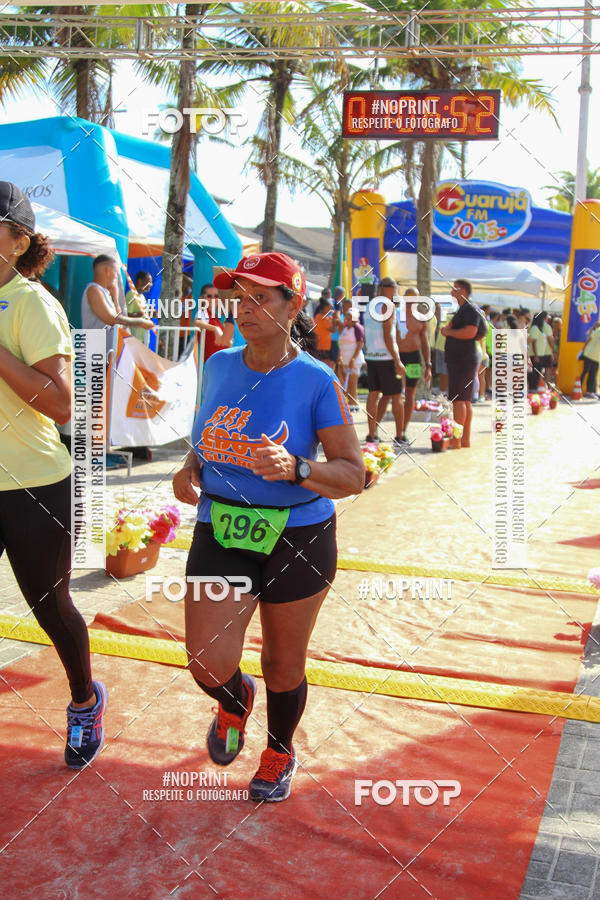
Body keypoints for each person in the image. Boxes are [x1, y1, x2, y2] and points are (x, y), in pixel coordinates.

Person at [172, 251, 364, 803]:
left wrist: (299, 469)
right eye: (239, 298)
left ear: (294, 304)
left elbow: (353, 473)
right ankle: (233, 700)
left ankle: (279, 749)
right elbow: (203, 437)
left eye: (261, 298)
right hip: (222, 527)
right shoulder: (219, 365)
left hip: (298, 537)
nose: (245, 310)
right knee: (207, 658)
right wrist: (189, 468)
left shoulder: (316, 380)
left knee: (282, 663)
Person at [0, 182, 107, 768]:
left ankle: (84, 701)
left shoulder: (31, 302)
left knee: (49, 606)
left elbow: (64, 404)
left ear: (18, 242)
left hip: (32, 484)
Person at [376, 288, 432, 440]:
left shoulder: (421, 318)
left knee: (410, 394)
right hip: (396, 357)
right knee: (389, 394)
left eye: (415, 298)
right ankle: (374, 429)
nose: (412, 301)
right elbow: (386, 334)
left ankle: (402, 431)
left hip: (413, 358)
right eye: (409, 297)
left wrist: (428, 365)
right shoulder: (396, 314)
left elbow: (425, 342)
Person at [81, 254, 154, 358]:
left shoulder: (104, 292)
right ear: (107, 271)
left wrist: (115, 298)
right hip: (94, 349)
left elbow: (117, 316)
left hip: (105, 352)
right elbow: (112, 319)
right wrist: (141, 322)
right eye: (115, 272)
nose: (116, 277)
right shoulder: (94, 290)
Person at [363, 276, 406, 444]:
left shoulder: (369, 305)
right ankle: (399, 436)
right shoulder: (387, 306)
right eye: (393, 287)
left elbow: (367, 334)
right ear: (384, 288)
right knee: (396, 396)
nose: (395, 290)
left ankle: (372, 435)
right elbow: (388, 335)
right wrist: (397, 360)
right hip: (386, 356)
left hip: (372, 356)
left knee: (373, 394)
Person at [442, 279, 482, 449]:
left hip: (463, 359)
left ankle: (457, 439)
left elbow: (471, 332)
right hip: (461, 359)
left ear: (463, 290)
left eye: (455, 289)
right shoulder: (464, 309)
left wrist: (448, 332)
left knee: (459, 400)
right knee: (464, 400)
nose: (452, 292)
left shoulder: (470, 309)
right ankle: (463, 439)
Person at [192, 282, 234, 360]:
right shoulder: (203, 312)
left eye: (216, 296)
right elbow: (196, 322)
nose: (213, 299)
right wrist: (215, 329)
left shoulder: (214, 316)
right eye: (209, 296)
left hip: (223, 359)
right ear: (202, 298)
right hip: (214, 361)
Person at [339, 308, 365, 412]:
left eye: (350, 316)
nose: (347, 318)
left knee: (353, 382)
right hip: (345, 359)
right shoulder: (345, 328)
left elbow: (360, 344)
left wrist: (353, 359)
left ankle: (353, 404)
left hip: (354, 360)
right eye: (347, 316)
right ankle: (351, 402)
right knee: (348, 382)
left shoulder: (357, 328)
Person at [528, 311, 555, 392]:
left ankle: (536, 387)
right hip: (537, 353)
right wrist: (536, 354)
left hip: (541, 353)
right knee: (536, 372)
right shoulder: (536, 328)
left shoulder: (539, 327)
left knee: (538, 372)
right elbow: (533, 342)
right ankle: (534, 388)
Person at [125, 269, 154, 341]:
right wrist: (143, 313)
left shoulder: (142, 297)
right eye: (149, 282)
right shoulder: (131, 295)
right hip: (134, 338)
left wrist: (150, 313)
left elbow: (142, 314)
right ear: (140, 281)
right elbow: (126, 316)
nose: (151, 284)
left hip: (142, 338)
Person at [312, 294, 335, 369]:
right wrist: (335, 320)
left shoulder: (318, 316)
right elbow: (332, 330)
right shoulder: (324, 318)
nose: (330, 310)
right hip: (324, 346)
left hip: (318, 344)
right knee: (325, 366)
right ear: (325, 308)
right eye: (329, 308)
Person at [581, 321, 600, 398]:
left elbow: (588, 340)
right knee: (592, 374)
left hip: (590, 354)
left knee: (586, 372)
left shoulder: (597, 330)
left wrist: (583, 350)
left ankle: (580, 389)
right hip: (594, 356)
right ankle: (589, 391)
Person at [330, 286, 344, 375]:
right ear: (342, 295)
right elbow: (337, 319)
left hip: (329, 338)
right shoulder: (338, 304)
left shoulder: (329, 302)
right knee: (334, 363)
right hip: (335, 339)